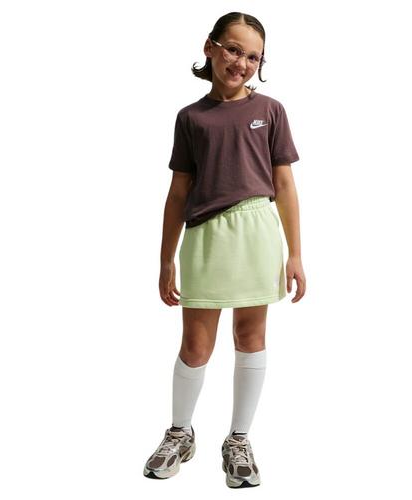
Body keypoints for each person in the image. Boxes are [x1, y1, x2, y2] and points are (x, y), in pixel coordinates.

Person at [143, 11, 306, 488]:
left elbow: (284, 185)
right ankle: (180, 432)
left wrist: (295, 254)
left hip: (257, 231)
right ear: (210, 47)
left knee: (250, 337)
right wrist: (165, 259)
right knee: (195, 344)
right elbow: (178, 192)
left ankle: (238, 439)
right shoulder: (190, 118)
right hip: (205, 236)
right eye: (233, 49)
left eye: (253, 57)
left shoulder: (271, 110)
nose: (242, 63)